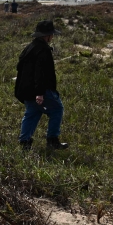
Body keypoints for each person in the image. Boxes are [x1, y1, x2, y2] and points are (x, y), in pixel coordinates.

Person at [14, 20, 68, 150]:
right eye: (51, 34)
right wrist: (39, 93)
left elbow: (20, 68)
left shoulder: (29, 48)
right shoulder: (43, 50)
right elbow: (40, 72)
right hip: (39, 89)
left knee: (32, 112)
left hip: (25, 89)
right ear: (47, 35)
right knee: (57, 109)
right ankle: (52, 140)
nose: (52, 37)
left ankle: (24, 143)